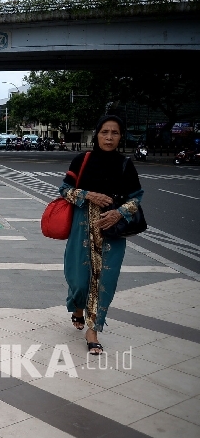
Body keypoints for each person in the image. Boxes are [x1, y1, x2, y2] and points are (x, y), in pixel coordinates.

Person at [60, 116, 143, 355]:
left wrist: (119, 213)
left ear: (121, 136)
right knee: (77, 279)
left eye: (114, 133)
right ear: (97, 134)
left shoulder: (125, 165)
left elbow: (136, 198)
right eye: (104, 132)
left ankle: (93, 330)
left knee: (103, 282)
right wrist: (88, 195)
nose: (109, 137)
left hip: (112, 232)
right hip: (82, 229)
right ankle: (77, 305)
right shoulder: (82, 160)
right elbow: (64, 190)